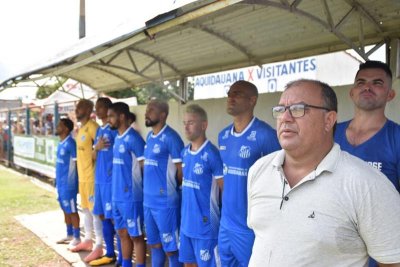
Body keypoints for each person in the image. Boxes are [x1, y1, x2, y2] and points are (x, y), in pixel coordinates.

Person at [247, 79, 400, 266]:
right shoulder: (259, 170)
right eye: (280, 110)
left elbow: (392, 261)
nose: (285, 118)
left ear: (328, 120)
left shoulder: (366, 184)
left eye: (298, 109)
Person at [334, 61, 400, 267]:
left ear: (390, 94)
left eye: (377, 83)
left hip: (378, 254)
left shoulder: (396, 138)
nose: (367, 86)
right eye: (361, 82)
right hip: (328, 248)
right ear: (352, 92)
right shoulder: (327, 134)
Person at [218, 80, 280, 266]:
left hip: (250, 227)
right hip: (225, 224)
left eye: (237, 93)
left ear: (252, 100)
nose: (231, 97)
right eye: (229, 93)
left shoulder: (266, 135)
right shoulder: (223, 135)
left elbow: (279, 180)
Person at [179, 104, 224, 267]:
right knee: (189, 264)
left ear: (204, 125)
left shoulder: (212, 154)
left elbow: (223, 190)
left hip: (205, 227)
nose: (186, 126)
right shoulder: (184, 152)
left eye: (191, 122)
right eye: (184, 122)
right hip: (186, 224)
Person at [143, 99, 184, 267]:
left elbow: (181, 170)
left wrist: (171, 191)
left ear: (163, 115)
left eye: (151, 110)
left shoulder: (172, 138)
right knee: (154, 245)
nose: (146, 113)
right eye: (147, 109)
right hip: (148, 202)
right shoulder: (149, 136)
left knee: (172, 249)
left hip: (165, 203)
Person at [108, 102, 146, 267]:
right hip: (117, 196)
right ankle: (125, 264)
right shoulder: (117, 137)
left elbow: (144, 168)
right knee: (122, 232)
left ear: (121, 116)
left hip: (131, 197)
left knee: (136, 235)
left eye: (111, 116)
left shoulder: (134, 138)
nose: (108, 120)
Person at [71, 99, 104, 263]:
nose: (76, 110)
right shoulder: (81, 129)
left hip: (92, 177)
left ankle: (99, 245)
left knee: (95, 211)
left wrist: (95, 150)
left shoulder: (93, 127)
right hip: (82, 177)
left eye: (79, 107)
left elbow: (101, 151)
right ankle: (88, 240)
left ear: (88, 109)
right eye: (76, 108)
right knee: (85, 209)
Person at [89, 97, 119, 266]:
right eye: (96, 107)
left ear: (108, 109)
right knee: (101, 215)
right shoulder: (100, 130)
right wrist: (96, 148)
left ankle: (118, 255)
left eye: (99, 107)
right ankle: (109, 253)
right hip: (99, 180)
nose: (97, 110)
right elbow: (93, 157)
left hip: (110, 181)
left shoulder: (114, 130)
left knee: (113, 218)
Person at [55, 118, 81, 247]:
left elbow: (77, 164)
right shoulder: (61, 143)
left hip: (69, 184)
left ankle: (77, 237)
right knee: (65, 209)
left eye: (59, 125)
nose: (56, 127)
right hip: (60, 184)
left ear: (66, 128)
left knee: (72, 210)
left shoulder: (71, 143)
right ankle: (69, 234)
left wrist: (77, 182)